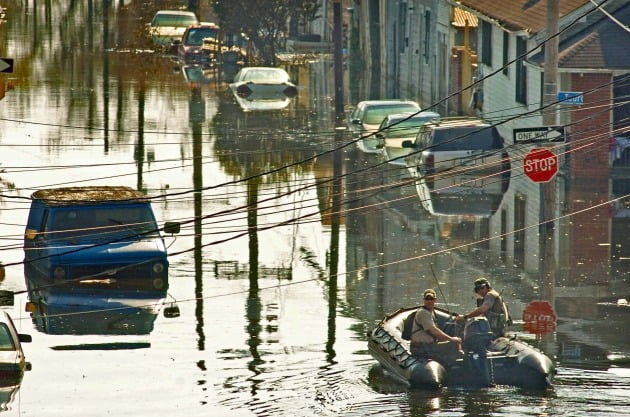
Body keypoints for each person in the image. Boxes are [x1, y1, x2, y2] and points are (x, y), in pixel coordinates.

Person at [409, 289, 462, 364]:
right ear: (424, 300)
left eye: (431, 299)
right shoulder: (423, 313)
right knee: (453, 344)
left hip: (428, 346)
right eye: (427, 299)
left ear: (435, 300)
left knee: (454, 343)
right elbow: (434, 330)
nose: (429, 301)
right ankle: (451, 368)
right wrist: (451, 339)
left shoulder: (431, 313)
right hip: (421, 347)